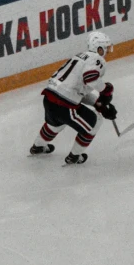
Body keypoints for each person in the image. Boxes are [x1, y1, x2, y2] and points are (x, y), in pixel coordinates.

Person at [29, 29, 118, 164]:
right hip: (64, 105)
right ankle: (74, 157)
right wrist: (106, 90)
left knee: (55, 123)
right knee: (95, 122)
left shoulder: (79, 57)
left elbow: (77, 91)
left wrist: (98, 104)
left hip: (49, 98)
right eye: (106, 48)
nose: (107, 52)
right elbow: (90, 78)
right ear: (99, 48)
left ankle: (38, 146)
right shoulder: (97, 59)